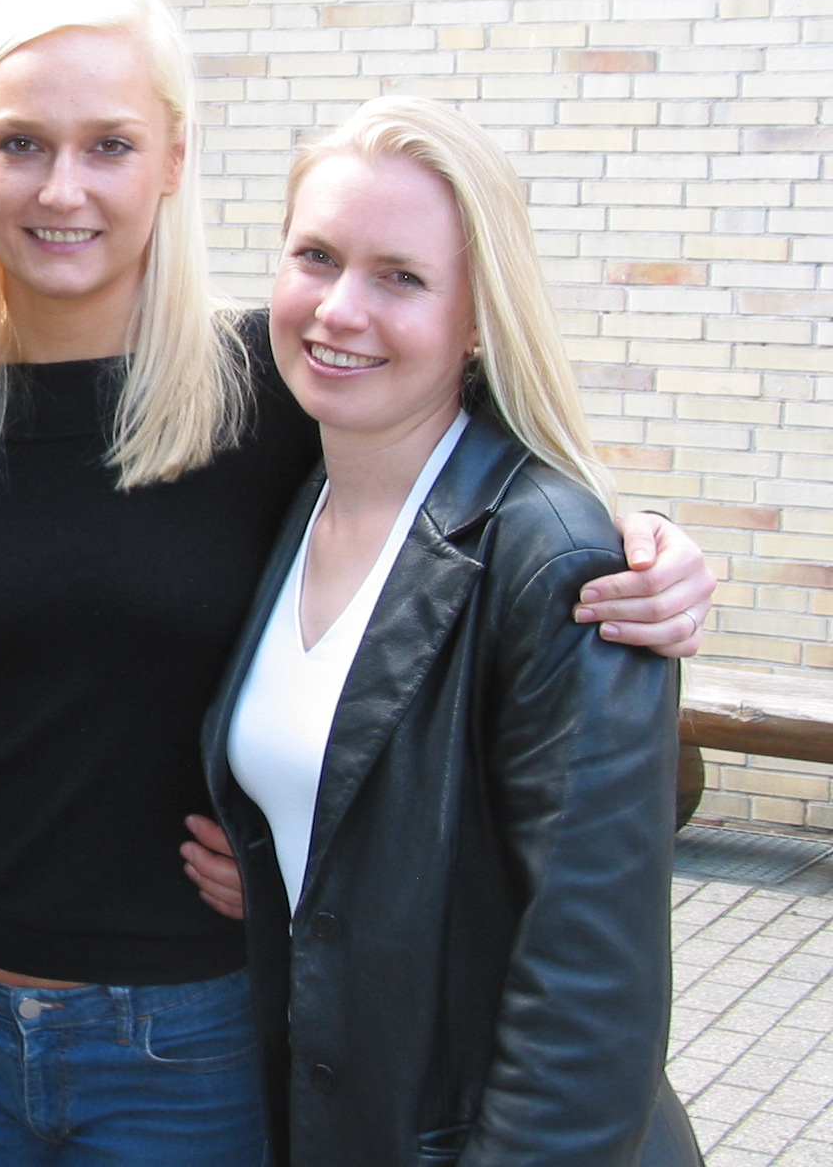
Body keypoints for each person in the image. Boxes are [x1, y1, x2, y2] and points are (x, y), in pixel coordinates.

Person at [0, 0, 712, 1167]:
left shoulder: (268, 392)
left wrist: (633, 540)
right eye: (20, 142)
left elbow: (460, 477)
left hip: (191, 1038)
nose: (62, 188)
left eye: (110, 144)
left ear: (173, 159)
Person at [202, 95, 700, 1165]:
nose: (341, 309)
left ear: (477, 319)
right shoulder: (297, 489)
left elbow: (591, 993)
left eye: (401, 277)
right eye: (316, 257)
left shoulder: (557, 564)